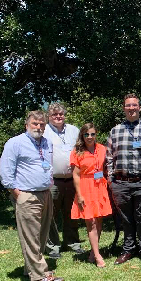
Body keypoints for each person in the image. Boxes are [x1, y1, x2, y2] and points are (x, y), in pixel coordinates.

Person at [0, 110, 64, 281]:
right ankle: (40, 275)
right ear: (26, 125)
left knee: (42, 235)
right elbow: (5, 171)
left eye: (42, 124)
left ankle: (30, 269)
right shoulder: (15, 143)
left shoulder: (46, 143)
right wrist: (17, 193)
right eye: (35, 123)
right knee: (30, 236)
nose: (39, 127)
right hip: (27, 195)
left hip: (45, 194)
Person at [107, 94, 141, 265]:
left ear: (139, 107)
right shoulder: (115, 131)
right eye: (128, 105)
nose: (131, 108)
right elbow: (109, 157)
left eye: (134, 105)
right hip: (121, 183)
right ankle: (128, 249)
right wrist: (110, 178)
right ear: (124, 108)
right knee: (126, 218)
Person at [70, 123, 113, 268]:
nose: (89, 137)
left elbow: (108, 166)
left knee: (99, 221)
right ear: (82, 135)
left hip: (100, 185)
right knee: (91, 222)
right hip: (85, 187)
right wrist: (79, 195)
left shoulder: (102, 149)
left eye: (92, 134)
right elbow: (75, 175)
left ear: (96, 135)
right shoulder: (77, 151)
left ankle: (92, 253)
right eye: (86, 134)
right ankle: (98, 255)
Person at [43, 102, 82, 259]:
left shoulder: (74, 130)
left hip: (73, 180)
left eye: (61, 114)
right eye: (54, 114)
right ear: (49, 116)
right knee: (50, 214)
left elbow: (81, 150)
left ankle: (72, 242)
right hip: (53, 180)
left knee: (72, 212)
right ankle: (52, 246)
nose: (58, 116)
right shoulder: (43, 131)